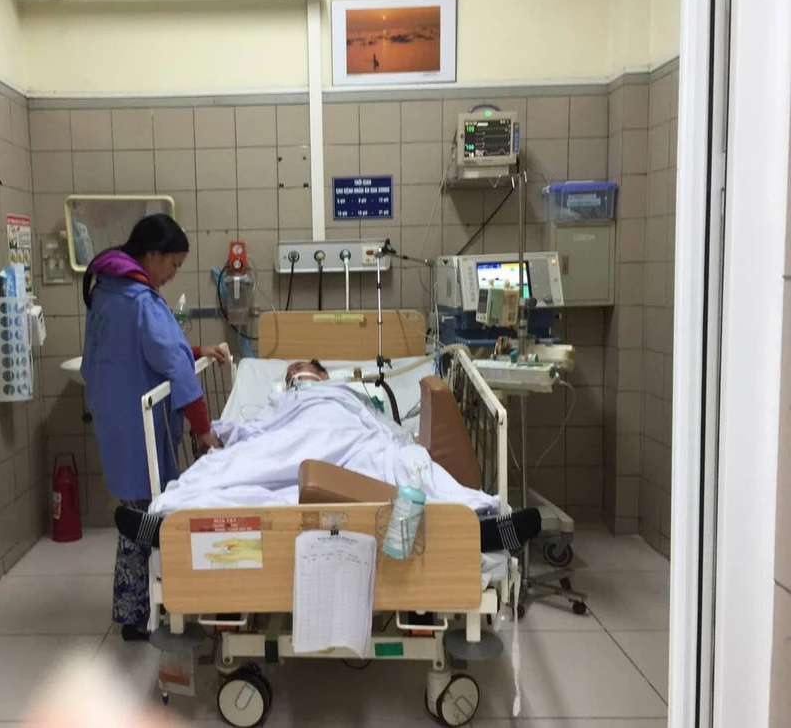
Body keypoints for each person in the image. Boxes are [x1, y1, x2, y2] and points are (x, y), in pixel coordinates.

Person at [115, 359, 541, 554]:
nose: (295, 374)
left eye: (303, 369)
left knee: (407, 463)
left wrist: (398, 438)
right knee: (228, 463)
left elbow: (382, 426)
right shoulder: (280, 400)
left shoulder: (347, 392)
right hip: (287, 440)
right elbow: (254, 430)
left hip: (353, 438)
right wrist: (226, 435)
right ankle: (169, 522)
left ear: (323, 374)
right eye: (289, 373)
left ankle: (478, 523)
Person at [81, 213, 227, 642]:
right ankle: (143, 613)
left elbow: (137, 348)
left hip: (114, 417)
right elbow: (175, 368)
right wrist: (204, 431)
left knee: (137, 511)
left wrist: (196, 350)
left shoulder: (108, 291)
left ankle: (139, 609)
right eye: (173, 265)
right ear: (152, 254)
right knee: (146, 518)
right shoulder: (141, 300)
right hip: (138, 424)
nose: (172, 274)